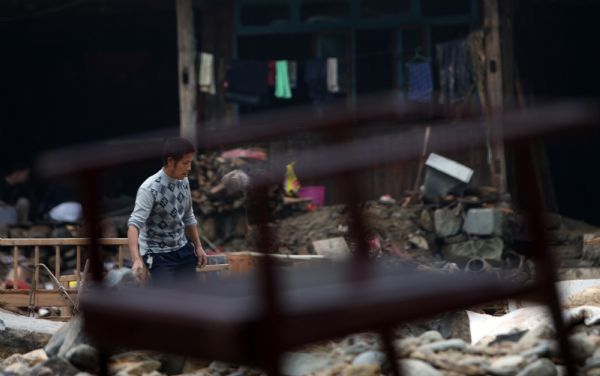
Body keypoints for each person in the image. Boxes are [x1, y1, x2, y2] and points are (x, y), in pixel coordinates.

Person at [128, 137, 207, 285]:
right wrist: (136, 259)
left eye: (190, 162)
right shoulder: (149, 188)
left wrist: (198, 246)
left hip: (182, 248)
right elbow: (134, 225)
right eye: (185, 163)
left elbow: (189, 216)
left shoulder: (184, 180)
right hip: (158, 254)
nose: (189, 168)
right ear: (170, 161)